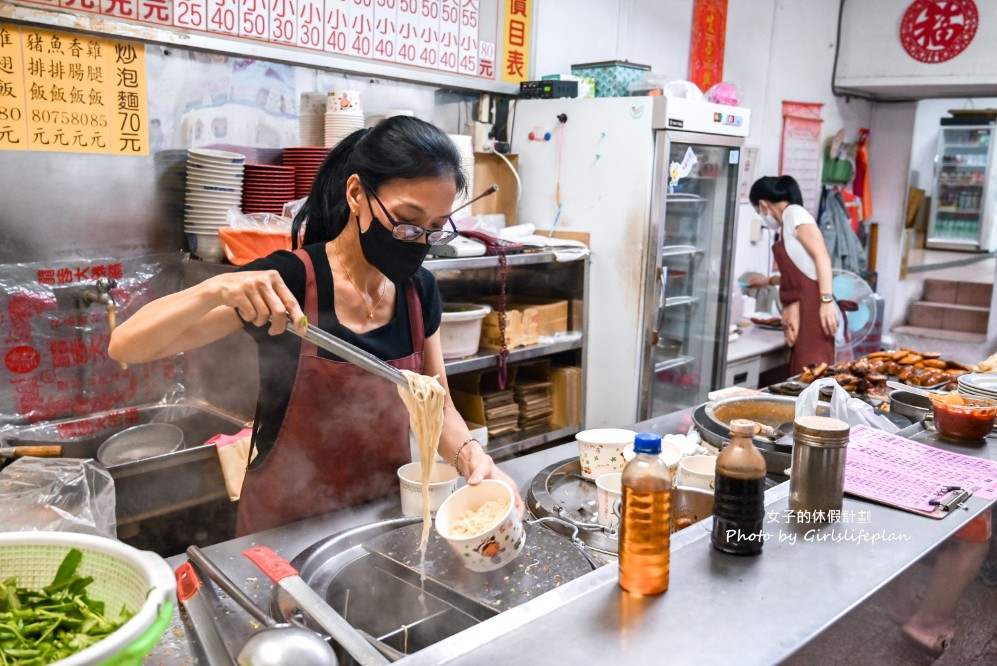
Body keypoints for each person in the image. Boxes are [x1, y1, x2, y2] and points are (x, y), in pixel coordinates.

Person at [108, 116, 524, 535]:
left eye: (434, 229)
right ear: (357, 194)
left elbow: (440, 405)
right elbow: (126, 346)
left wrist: (472, 456)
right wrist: (216, 289)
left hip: (382, 522)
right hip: (281, 527)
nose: (416, 241)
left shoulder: (419, 293)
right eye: (406, 220)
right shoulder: (289, 284)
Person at [746, 175, 839, 374]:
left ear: (763, 205)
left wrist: (826, 301)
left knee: (812, 374)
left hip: (813, 309)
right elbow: (804, 273)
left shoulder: (796, 214)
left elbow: (822, 256)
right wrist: (768, 281)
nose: (761, 216)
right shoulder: (789, 221)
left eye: (757, 211)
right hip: (804, 309)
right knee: (801, 374)